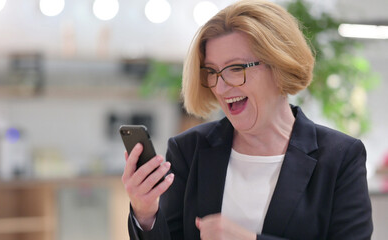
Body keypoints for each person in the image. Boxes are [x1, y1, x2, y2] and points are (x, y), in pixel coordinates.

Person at [122, 0, 373, 239]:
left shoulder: (340, 157)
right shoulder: (189, 150)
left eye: (236, 68)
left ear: (279, 65)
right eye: (212, 72)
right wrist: (145, 215)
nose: (220, 87)